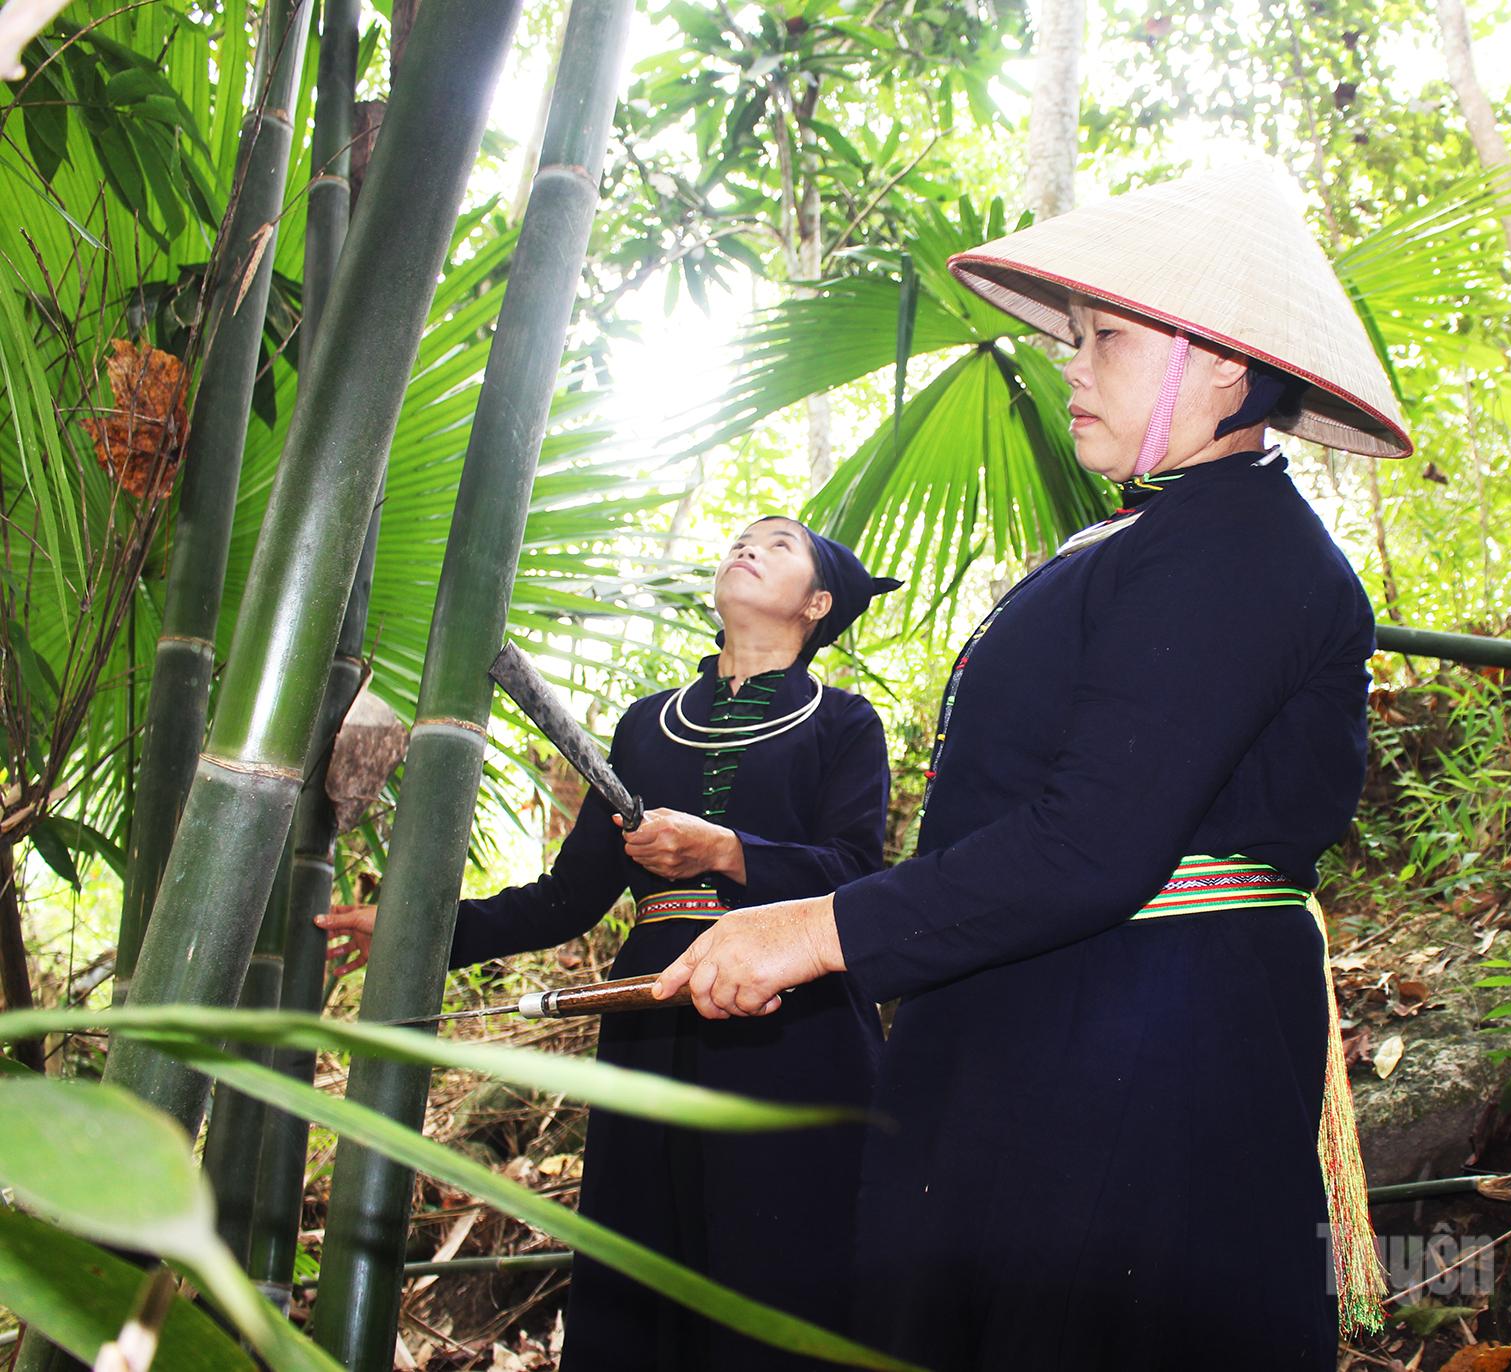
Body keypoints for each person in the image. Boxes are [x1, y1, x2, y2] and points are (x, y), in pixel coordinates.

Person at [647, 163, 1411, 1370]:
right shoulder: (1150, 535)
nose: (1070, 359)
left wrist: (808, 931)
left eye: (1104, 335)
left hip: (1137, 1044)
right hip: (1051, 1021)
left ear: (1218, 359)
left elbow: (1091, 841)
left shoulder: (1244, 548)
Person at [320, 516, 900, 1370]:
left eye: (780, 545)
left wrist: (722, 849)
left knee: (784, 1264)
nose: (747, 546)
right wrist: (418, 931)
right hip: (651, 1020)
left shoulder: (844, 724)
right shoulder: (647, 725)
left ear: (818, 603)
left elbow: (854, 874)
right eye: (742, 536)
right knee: (642, 1266)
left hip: (793, 1021)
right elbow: (566, 899)